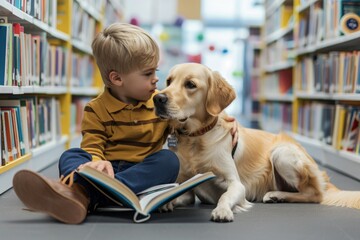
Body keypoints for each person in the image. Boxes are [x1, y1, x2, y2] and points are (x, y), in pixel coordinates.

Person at [12, 23, 237, 224]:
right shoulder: (96, 109)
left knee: (168, 161)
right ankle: (95, 191)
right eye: (148, 74)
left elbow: (187, 123)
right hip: (105, 170)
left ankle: (81, 193)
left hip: (140, 173)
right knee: (71, 155)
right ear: (117, 79)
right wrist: (97, 162)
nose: (156, 80)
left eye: (156, 72)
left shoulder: (159, 103)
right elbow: (92, 144)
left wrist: (225, 123)